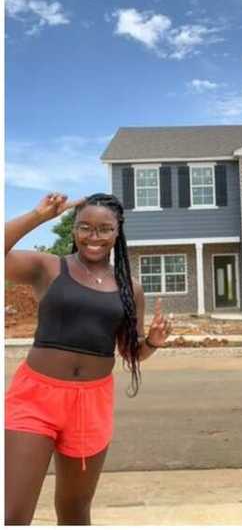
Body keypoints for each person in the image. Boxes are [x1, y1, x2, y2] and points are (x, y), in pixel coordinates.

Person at [5, 192, 172, 524]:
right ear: (73, 230)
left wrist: (152, 342)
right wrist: (38, 216)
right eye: (85, 227)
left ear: (117, 232)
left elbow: (130, 351)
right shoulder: (49, 267)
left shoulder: (130, 289)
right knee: (12, 513)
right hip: (36, 399)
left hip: (91, 404)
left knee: (75, 511)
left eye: (104, 229)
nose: (94, 237)